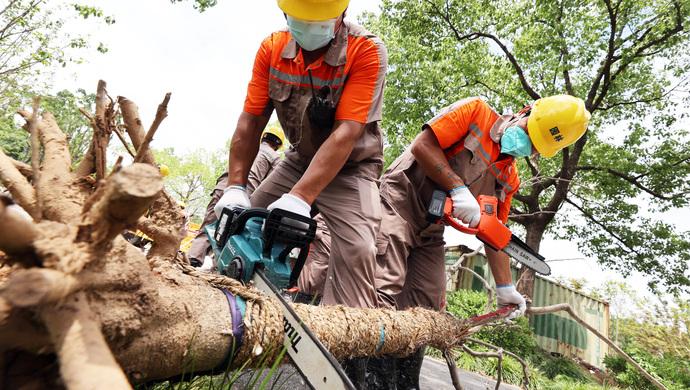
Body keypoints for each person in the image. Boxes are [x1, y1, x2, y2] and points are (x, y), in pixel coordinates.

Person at [373, 95, 591, 388]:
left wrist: (505, 288)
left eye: (535, 144)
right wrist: (458, 188)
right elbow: (422, 145)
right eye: (529, 131)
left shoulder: (508, 178)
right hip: (398, 203)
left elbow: (495, 233)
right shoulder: (476, 112)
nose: (527, 142)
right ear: (524, 112)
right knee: (384, 282)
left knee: (427, 300)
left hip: (431, 229)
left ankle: (401, 380)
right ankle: (364, 371)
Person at [187, 125, 285, 267]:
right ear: (277, 144)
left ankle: (193, 257)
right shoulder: (274, 158)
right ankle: (219, 265)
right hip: (243, 196)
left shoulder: (248, 147)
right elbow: (271, 184)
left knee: (209, 223)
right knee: (232, 231)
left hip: (222, 188)